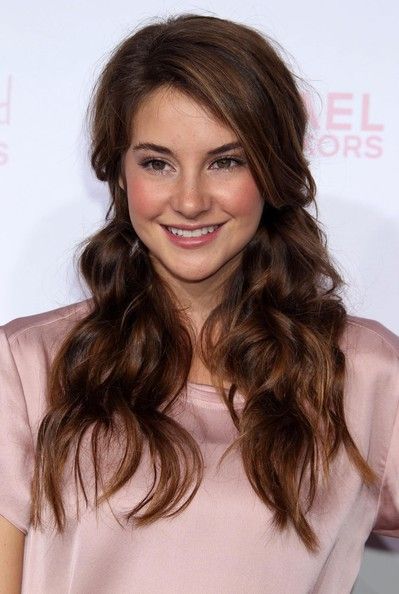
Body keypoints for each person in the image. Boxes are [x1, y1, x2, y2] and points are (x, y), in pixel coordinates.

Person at [1, 12, 398, 594]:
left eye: (225, 161)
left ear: (272, 170)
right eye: (157, 163)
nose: (189, 201)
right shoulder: (28, 366)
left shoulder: (365, 373)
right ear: (118, 173)